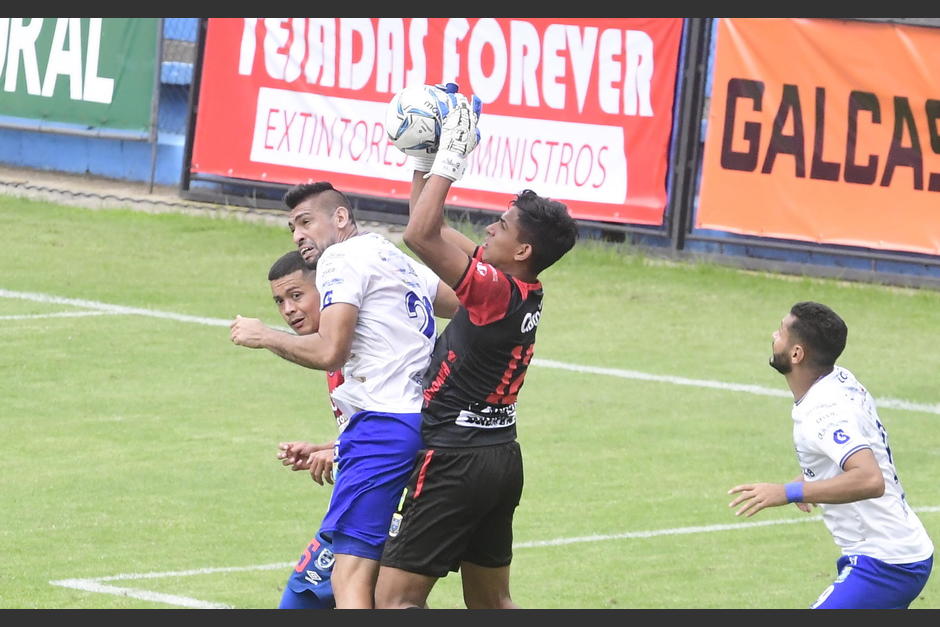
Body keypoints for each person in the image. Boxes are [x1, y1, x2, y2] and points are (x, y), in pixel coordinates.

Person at [373, 92, 580, 609]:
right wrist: (425, 161)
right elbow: (434, 228)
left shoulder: (492, 289)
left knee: (394, 600)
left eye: (502, 226)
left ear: (524, 250)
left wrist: (452, 159)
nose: (488, 227)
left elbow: (419, 235)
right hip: (500, 457)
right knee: (492, 604)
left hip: (453, 459)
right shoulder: (519, 287)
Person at [230, 183, 459, 608]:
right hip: (420, 429)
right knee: (396, 595)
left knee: (348, 579)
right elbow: (462, 304)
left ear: (339, 218)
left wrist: (264, 335)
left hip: (384, 430)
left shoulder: (340, 258)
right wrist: (337, 448)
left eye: (306, 222)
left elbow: (329, 349)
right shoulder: (386, 252)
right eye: (292, 227)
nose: (298, 235)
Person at [728, 301, 934, 609]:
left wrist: (789, 491)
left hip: (886, 564)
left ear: (797, 354)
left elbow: (869, 479)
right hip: (897, 553)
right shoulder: (839, 378)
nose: (773, 335)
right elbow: (865, 449)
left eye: (781, 331)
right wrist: (812, 477)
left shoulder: (823, 412)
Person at [261, 250, 343, 609]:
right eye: (280, 301)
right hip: (363, 489)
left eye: (297, 296)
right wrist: (325, 447)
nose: (289, 310)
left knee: (301, 601)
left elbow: (409, 426)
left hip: (388, 496)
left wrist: (339, 451)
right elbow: (376, 425)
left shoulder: (357, 348)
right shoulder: (335, 352)